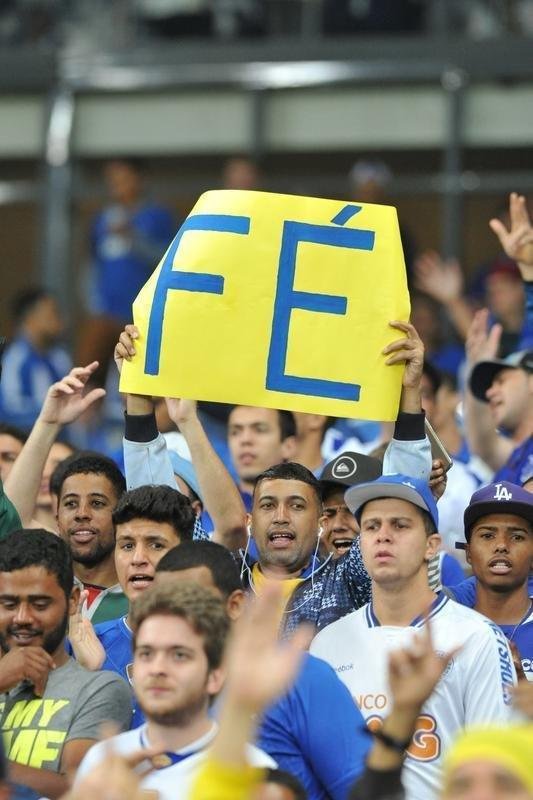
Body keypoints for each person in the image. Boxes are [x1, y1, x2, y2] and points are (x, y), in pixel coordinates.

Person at [311, 473, 516, 800]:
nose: (383, 536)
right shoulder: (326, 643)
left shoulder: (476, 636)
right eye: (372, 526)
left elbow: (494, 764)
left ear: (432, 545)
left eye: (400, 525)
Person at [155, 540, 372, 800]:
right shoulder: (158, 688)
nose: (175, 618)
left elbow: (366, 792)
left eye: (190, 602)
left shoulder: (301, 677)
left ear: (235, 605)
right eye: (164, 606)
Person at [75, 582, 275, 800]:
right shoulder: (100, 762)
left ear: (215, 675)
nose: (158, 669)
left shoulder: (256, 772)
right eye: (146, 654)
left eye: (179, 655)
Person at [0, 529, 131, 799]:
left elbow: (77, 789)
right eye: (9, 604)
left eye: (39, 604)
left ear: (72, 601)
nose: (22, 618)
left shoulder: (100, 688)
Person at [69, 484, 197, 727]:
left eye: (156, 545)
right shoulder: (82, 644)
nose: (138, 559)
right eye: (127, 545)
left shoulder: (210, 646)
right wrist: (86, 674)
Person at [78, 158, 174, 384]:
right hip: (105, 311)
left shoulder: (158, 215)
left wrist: (133, 237)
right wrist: (93, 302)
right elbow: (92, 264)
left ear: (140, 180)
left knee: (137, 378)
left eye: (123, 178)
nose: (116, 184)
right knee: (86, 374)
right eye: (112, 180)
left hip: (141, 314)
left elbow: (168, 260)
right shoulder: (101, 219)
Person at [464, 192, 533, 485]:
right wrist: (476, 365)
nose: (490, 392)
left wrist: (529, 270)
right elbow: (482, 444)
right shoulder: (515, 457)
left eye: (501, 380)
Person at [449, 481, 533, 681]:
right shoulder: (442, 626)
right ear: (468, 553)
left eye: (517, 537)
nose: (501, 546)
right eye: (487, 535)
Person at [0, 289, 70, 430]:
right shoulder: (14, 360)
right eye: (51, 314)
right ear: (30, 319)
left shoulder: (59, 358)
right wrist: (52, 412)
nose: (58, 321)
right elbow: (10, 410)